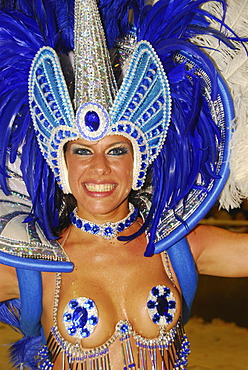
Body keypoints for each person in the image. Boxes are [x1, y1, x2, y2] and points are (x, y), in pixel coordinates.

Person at [0, 0, 247, 369]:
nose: (99, 168)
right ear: (61, 164)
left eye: (116, 150)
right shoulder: (34, 264)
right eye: (83, 151)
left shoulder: (176, 246)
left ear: (139, 159)